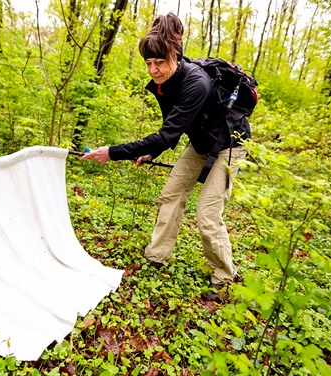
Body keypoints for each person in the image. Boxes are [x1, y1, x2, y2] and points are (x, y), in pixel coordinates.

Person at [81, 13, 250, 302]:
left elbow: (169, 135)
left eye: (159, 62)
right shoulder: (166, 83)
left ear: (175, 55)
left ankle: (224, 277)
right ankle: (156, 256)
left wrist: (112, 152)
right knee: (171, 195)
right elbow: (172, 127)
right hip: (200, 142)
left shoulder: (196, 83)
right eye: (148, 63)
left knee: (208, 214)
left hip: (229, 144)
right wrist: (150, 151)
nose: (153, 69)